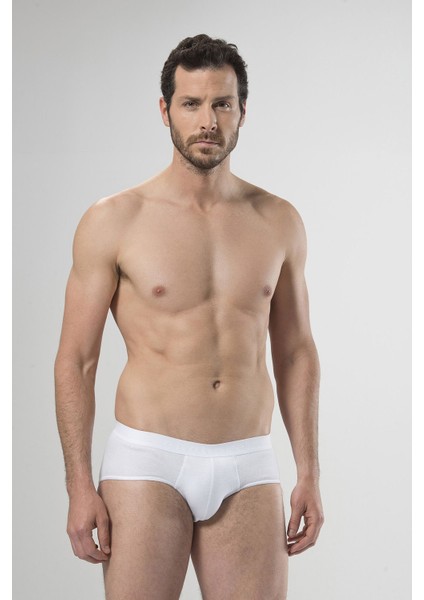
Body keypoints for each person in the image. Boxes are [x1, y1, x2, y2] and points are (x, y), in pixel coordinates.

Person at [54, 33, 324, 599]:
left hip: (248, 460)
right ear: (165, 110)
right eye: (191, 103)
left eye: (222, 103)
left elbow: (296, 351)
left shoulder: (279, 221)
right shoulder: (115, 220)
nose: (208, 121)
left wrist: (309, 473)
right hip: (148, 460)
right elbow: (76, 360)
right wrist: (79, 485)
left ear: (243, 110)